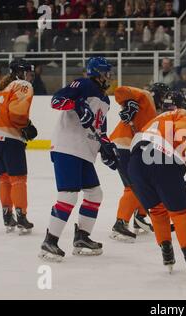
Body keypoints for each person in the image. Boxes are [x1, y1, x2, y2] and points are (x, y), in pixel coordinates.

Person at [128, 90, 186, 281]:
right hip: (161, 159)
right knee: (180, 212)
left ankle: (167, 253)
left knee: (157, 210)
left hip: (135, 163)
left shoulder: (155, 119)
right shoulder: (182, 114)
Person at [39, 57, 115, 262]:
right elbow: (56, 100)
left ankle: (82, 237)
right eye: (106, 72)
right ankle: (50, 241)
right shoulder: (83, 84)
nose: (109, 76)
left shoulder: (105, 100)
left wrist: (107, 146)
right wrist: (77, 105)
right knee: (68, 196)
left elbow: (100, 129)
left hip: (84, 151)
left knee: (95, 194)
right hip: (67, 147)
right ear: (97, 73)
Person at [109, 82, 170, 242]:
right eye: (163, 97)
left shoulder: (157, 115)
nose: (165, 101)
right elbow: (121, 90)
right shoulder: (146, 98)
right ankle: (120, 224)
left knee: (145, 183)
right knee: (133, 186)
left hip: (134, 147)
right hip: (123, 145)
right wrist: (129, 104)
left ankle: (140, 216)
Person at [0, 59, 37, 234]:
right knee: (18, 178)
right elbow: (17, 113)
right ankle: (21, 217)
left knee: (4, 178)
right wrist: (26, 126)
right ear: (20, 73)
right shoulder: (22, 85)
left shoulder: (2, 89)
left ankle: (7, 216)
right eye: (28, 72)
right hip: (8, 138)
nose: (30, 76)